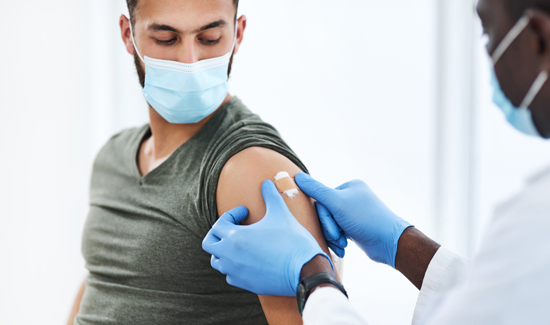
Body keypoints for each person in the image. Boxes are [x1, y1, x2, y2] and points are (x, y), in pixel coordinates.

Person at [203, 0, 550, 323]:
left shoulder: (535, 220)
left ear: (537, 37)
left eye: (489, 34)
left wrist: (313, 275)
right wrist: (403, 244)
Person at [67, 0, 339, 324]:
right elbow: (104, 283)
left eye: (209, 38)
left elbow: (316, 313)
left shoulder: (249, 167)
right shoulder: (113, 156)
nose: (189, 61)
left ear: (237, 34)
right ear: (128, 35)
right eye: (166, 39)